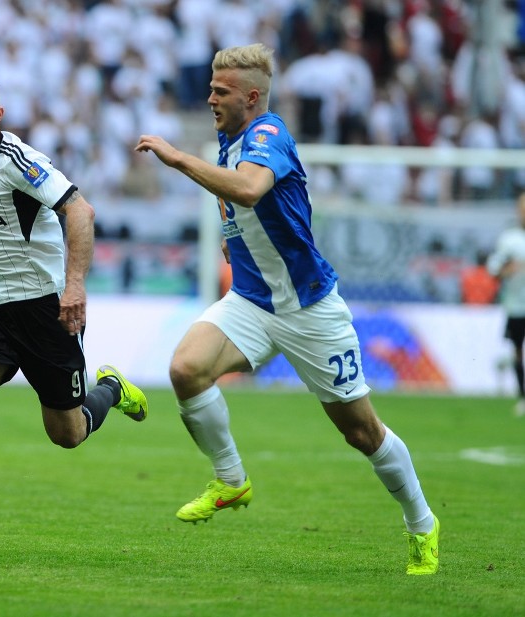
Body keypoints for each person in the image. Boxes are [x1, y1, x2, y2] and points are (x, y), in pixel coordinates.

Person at [134, 44, 440, 575]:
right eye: (210, 88)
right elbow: (238, 201)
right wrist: (234, 237)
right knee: (186, 368)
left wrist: (179, 157)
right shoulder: (230, 140)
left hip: (308, 309)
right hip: (252, 301)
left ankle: (422, 523)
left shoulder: (268, 133)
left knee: (361, 432)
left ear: (252, 97)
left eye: (220, 91)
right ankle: (231, 481)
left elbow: (251, 189)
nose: (209, 98)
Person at [0, 70, 148, 556]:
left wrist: (74, 286)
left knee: (66, 434)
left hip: (47, 310)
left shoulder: (19, 161)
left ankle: (110, 388)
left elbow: (81, 211)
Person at [487, 192, 525, 417]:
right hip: (517, 306)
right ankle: (523, 396)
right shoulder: (510, 239)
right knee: (517, 351)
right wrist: (506, 270)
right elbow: (494, 268)